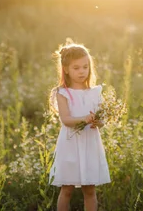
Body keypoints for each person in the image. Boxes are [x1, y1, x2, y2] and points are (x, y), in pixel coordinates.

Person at [49, 42, 110, 211]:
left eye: (85, 67)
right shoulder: (62, 92)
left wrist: (98, 122)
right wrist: (84, 118)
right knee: (67, 188)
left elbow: (102, 119)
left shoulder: (95, 92)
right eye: (76, 68)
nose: (82, 71)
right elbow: (66, 120)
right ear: (66, 69)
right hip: (70, 145)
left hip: (90, 143)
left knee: (90, 189)